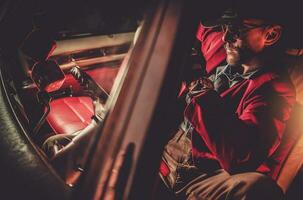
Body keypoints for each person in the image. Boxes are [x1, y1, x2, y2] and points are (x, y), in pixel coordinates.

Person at [159, 6, 296, 200]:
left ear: (271, 34)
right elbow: (191, 23)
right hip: (162, 149)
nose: (226, 37)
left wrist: (202, 91)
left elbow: (240, 156)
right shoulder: (223, 48)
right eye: (225, 27)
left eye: (236, 29)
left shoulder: (274, 91)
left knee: (259, 189)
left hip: (201, 178)